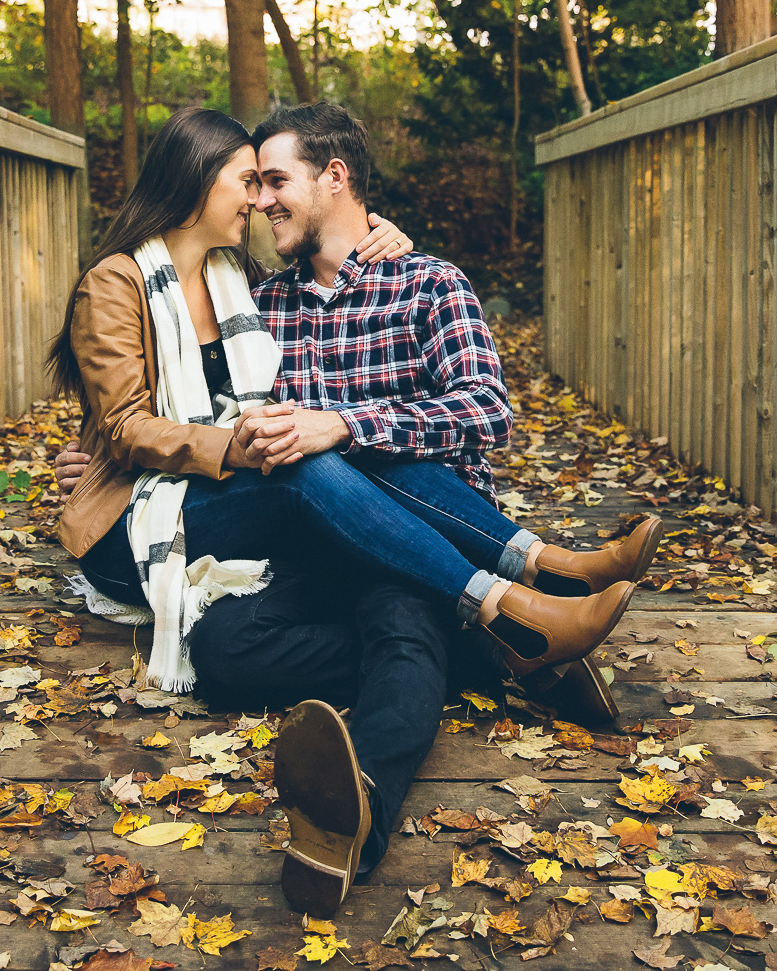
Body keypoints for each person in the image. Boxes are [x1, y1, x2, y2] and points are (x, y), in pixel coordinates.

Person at [48, 104, 657, 915]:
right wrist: (122, 447)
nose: (262, 201)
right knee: (227, 640)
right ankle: (506, 624)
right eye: (249, 182)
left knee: (394, 605)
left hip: (409, 531)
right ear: (201, 185)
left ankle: (352, 813)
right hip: (281, 520)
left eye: (273, 182)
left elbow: (487, 411)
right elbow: (148, 410)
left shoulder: (406, 281)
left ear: (332, 181)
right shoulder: (264, 297)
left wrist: (344, 414)